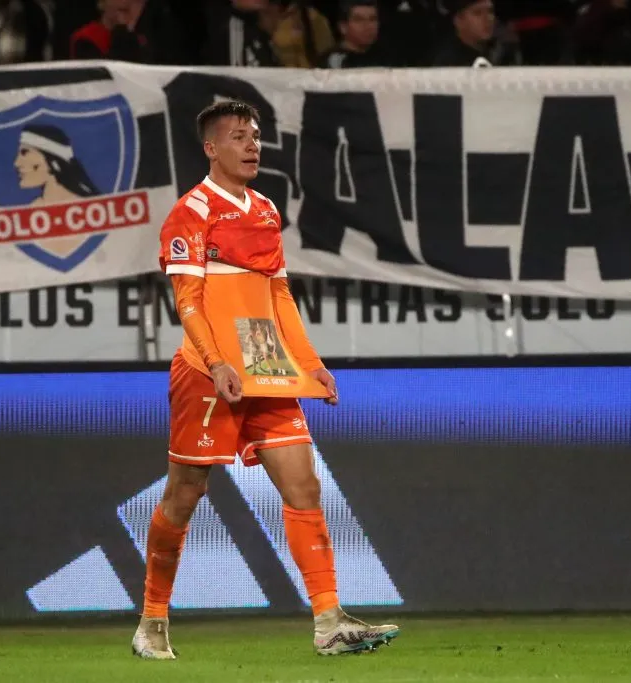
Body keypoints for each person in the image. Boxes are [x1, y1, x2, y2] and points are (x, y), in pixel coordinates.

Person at [132, 99, 400, 659]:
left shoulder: (265, 210)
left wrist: (311, 362)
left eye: (255, 135)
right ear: (211, 149)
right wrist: (216, 362)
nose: (252, 145)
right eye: (238, 136)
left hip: (268, 371)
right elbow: (188, 301)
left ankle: (328, 621)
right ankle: (152, 621)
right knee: (185, 494)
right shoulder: (191, 212)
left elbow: (278, 295)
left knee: (305, 487)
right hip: (209, 373)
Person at [319, 0, 385, 68]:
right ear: (343, 27)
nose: (368, 26)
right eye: (359, 20)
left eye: (372, 19)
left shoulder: (384, 57)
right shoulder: (335, 61)